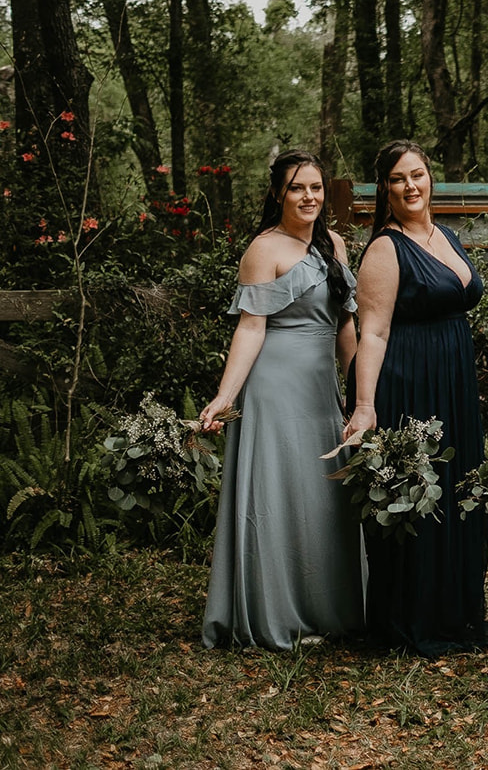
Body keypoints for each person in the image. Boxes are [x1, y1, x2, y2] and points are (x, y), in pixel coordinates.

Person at [199, 150, 365, 650]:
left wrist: (360, 393)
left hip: (320, 388)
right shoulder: (263, 249)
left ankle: (329, 609)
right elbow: (251, 328)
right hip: (275, 386)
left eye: (316, 187)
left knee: (323, 495)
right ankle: (277, 613)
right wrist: (225, 396)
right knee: (279, 495)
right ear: (278, 194)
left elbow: (346, 326)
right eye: (297, 188)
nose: (309, 196)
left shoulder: (334, 243)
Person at [344, 139, 488, 654]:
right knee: (419, 493)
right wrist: (365, 406)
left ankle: (454, 614)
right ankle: (412, 618)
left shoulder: (445, 235)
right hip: (409, 380)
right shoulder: (386, 247)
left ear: (431, 178)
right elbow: (373, 332)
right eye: (398, 179)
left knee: (456, 489)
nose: (411, 186)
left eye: (418, 175)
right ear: (385, 189)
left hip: (453, 381)